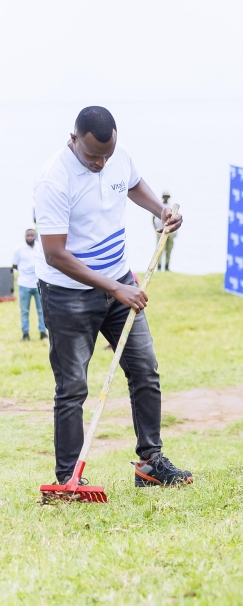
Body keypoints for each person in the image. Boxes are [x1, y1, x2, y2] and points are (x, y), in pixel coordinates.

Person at [34, 106, 192, 488]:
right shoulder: (54, 181)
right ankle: (68, 479)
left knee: (145, 370)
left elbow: (133, 183)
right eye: (92, 157)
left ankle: (150, 464)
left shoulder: (116, 157)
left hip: (119, 281)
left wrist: (160, 210)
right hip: (69, 293)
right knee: (72, 387)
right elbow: (56, 254)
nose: (101, 163)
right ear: (72, 140)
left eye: (107, 154)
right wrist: (115, 288)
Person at [13, 228, 46, 341]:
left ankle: (43, 333)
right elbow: (14, 265)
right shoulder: (19, 249)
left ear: (35, 236)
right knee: (24, 311)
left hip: (38, 284)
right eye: (28, 236)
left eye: (32, 235)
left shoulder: (40, 248)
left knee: (41, 310)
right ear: (25, 236)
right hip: (24, 284)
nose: (30, 237)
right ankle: (25, 334)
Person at [150, 189, 176, 271]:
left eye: (167, 196)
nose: (165, 198)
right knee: (159, 249)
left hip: (170, 231)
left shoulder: (171, 206)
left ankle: (167, 267)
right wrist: (155, 228)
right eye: (164, 196)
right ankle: (159, 267)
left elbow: (175, 219)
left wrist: (175, 231)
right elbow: (153, 218)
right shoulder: (159, 205)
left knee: (169, 249)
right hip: (160, 230)